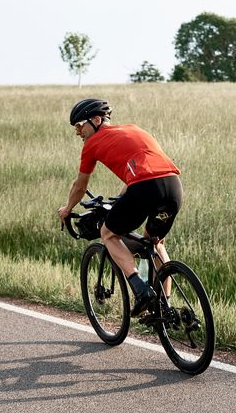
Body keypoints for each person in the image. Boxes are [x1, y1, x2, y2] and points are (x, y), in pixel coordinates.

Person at [58, 98, 183, 317]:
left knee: (108, 233)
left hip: (144, 188)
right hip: (173, 186)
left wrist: (67, 208)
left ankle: (140, 289)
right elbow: (147, 163)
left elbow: (80, 185)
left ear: (96, 120)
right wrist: (126, 191)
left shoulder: (91, 146)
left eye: (80, 125)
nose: (78, 132)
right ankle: (165, 307)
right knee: (154, 242)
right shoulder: (133, 129)